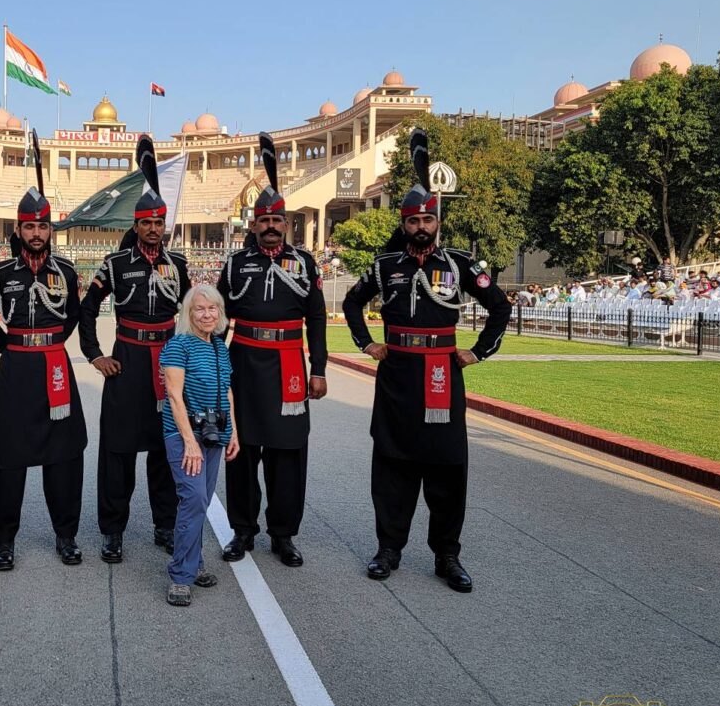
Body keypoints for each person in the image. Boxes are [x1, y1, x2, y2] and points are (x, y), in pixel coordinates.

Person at [343, 129, 512, 593]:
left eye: (428, 220)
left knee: (446, 468)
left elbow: (501, 306)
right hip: (397, 376)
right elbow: (353, 303)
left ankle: (447, 556)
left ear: (437, 222)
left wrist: (477, 351)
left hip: (442, 373)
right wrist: (366, 344)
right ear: (403, 221)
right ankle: (389, 549)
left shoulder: (459, 265)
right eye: (413, 220)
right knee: (393, 466)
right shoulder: (385, 265)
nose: (421, 226)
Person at [217, 133, 327, 567]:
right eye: (263, 219)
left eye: (277, 220)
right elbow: (216, 318)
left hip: (288, 367)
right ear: (253, 223)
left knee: (287, 454)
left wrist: (318, 368)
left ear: (287, 223)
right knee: (241, 452)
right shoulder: (234, 264)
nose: (270, 226)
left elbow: (316, 318)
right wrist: (214, 367)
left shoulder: (304, 263)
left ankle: (283, 534)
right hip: (243, 362)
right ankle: (242, 530)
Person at [78, 136, 189, 564]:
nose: (154, 229)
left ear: (165, 224)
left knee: (165, 448)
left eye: (159, 222)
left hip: (167, 363)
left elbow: (195, 312)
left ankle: (165, 525)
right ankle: (113, 530)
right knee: (118, 451)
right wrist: (94, 354)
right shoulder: (115, 264)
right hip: (126, 361)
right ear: (137, 224)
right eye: (146, 223)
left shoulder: (177, 264)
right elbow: (87, 310)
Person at [0, 152, 88, 571]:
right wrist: (3, 344)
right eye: (29, 225)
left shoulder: (67, 271)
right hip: (17, 369)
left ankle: (66, 536)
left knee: (64, 454)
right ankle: (4, 541)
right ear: (19, 228)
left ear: (50, 230)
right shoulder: (1, 272)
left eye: (43, 225)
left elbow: (75, 314)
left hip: (55, 366)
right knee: (8, 454)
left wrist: (57, 342)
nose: (37, 232)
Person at [159, 285, 239, 607]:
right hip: (184, 436)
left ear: (219, 313)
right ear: (188, 314)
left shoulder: (220, 347)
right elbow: (173, 396)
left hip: (214, 435)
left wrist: (233, 432)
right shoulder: (178, 345)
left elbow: (227, 391)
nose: (207, 314)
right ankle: (180, 576)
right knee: (192, 499)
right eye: (199, 309)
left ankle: (196, 563)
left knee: (201, 501)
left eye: (212, 309)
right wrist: (189, 442)